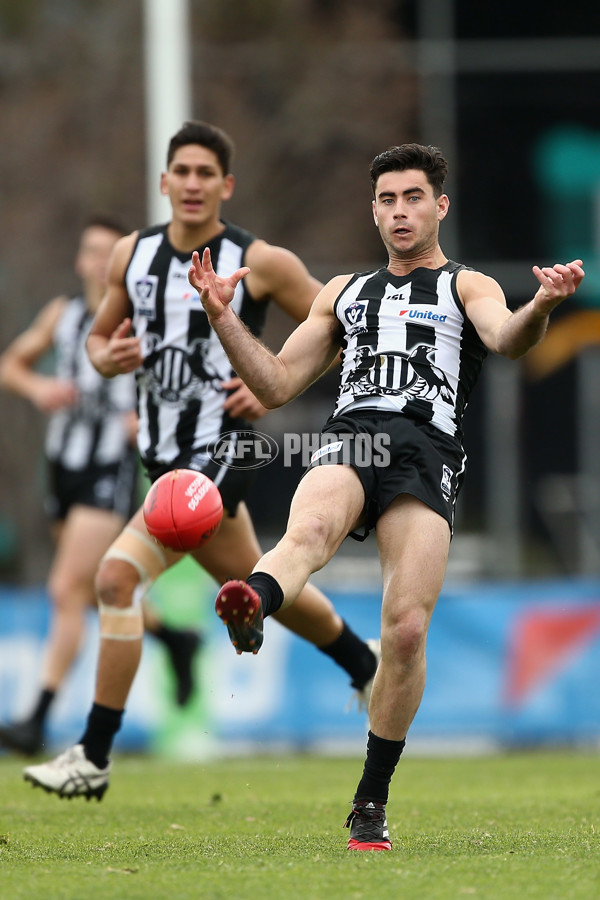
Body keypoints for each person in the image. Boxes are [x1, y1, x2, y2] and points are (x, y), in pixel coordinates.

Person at [183, 143, 585, 851]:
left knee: (404, 629)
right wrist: (222, 316)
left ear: (439, 206)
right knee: (307, 532)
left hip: (429, 453)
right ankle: (251, 602)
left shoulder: (469, 288)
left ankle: (370, 801)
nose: (400, 212)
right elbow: (276, 384)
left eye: (412, 198)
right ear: (374, 211)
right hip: (356, 438)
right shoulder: (341, 292)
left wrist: (544, 304)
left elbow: (509, 340)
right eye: (387, 200)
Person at [23, 121, 379, 798]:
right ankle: (364, 663)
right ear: (164, 181)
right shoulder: (131, 254)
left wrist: (277, 376)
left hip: (224, 447)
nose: (191, 184)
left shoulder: (260, 260)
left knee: (114, 581)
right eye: (180, 171)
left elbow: (338, 324)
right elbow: (99, 340)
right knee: (260, 582)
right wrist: (109, 357)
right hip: (162, 456)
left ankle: (92, 756)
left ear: (226, 185)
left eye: (204, 173)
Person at [0, 215, 202, 757]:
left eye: (106, 252)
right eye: (89, 251)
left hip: (108, 468)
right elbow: (10, 367)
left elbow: (186, 381)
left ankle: (36, 718)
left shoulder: (143, 318)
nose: (96, 261)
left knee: (66, 588)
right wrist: (39, 386)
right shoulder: (62, 316)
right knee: (92, 588)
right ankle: (174, 639)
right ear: (80, 260)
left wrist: (148, 415)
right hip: (61, 466)